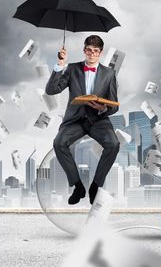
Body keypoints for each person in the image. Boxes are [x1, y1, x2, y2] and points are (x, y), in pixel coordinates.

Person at [45, 35, 119, 205]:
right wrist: (60, 64)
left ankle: (95, 185)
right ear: (84, 50)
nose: (91, 54)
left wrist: (104, 108)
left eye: (95, 51)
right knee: (59, 143)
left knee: (113, 144)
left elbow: (114, 105)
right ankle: (78, 186)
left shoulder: (109, 74)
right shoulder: (72, 68)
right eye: (88, 50)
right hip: (75, 119)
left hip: (98, 119)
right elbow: (51, 90)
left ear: (100, 53)